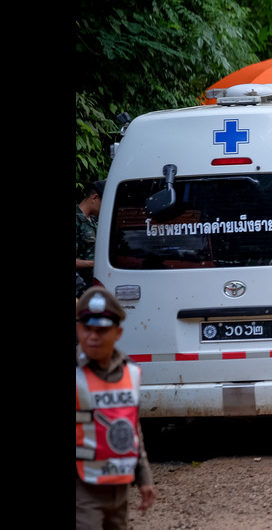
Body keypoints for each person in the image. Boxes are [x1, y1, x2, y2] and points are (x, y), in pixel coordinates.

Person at [76, 287, 155, 528]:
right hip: (82, 488)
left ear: (118, 333)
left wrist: (144, 477)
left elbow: (132, 429)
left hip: (119, 488)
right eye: (87, 329)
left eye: (101, 330)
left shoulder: (131, 373)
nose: (93, 337)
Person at [76, 180, 106, 298]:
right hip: (80, 290)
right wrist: (96, 264)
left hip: (93, 287)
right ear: (94, 198)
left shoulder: (94, 221)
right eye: (104, 203)